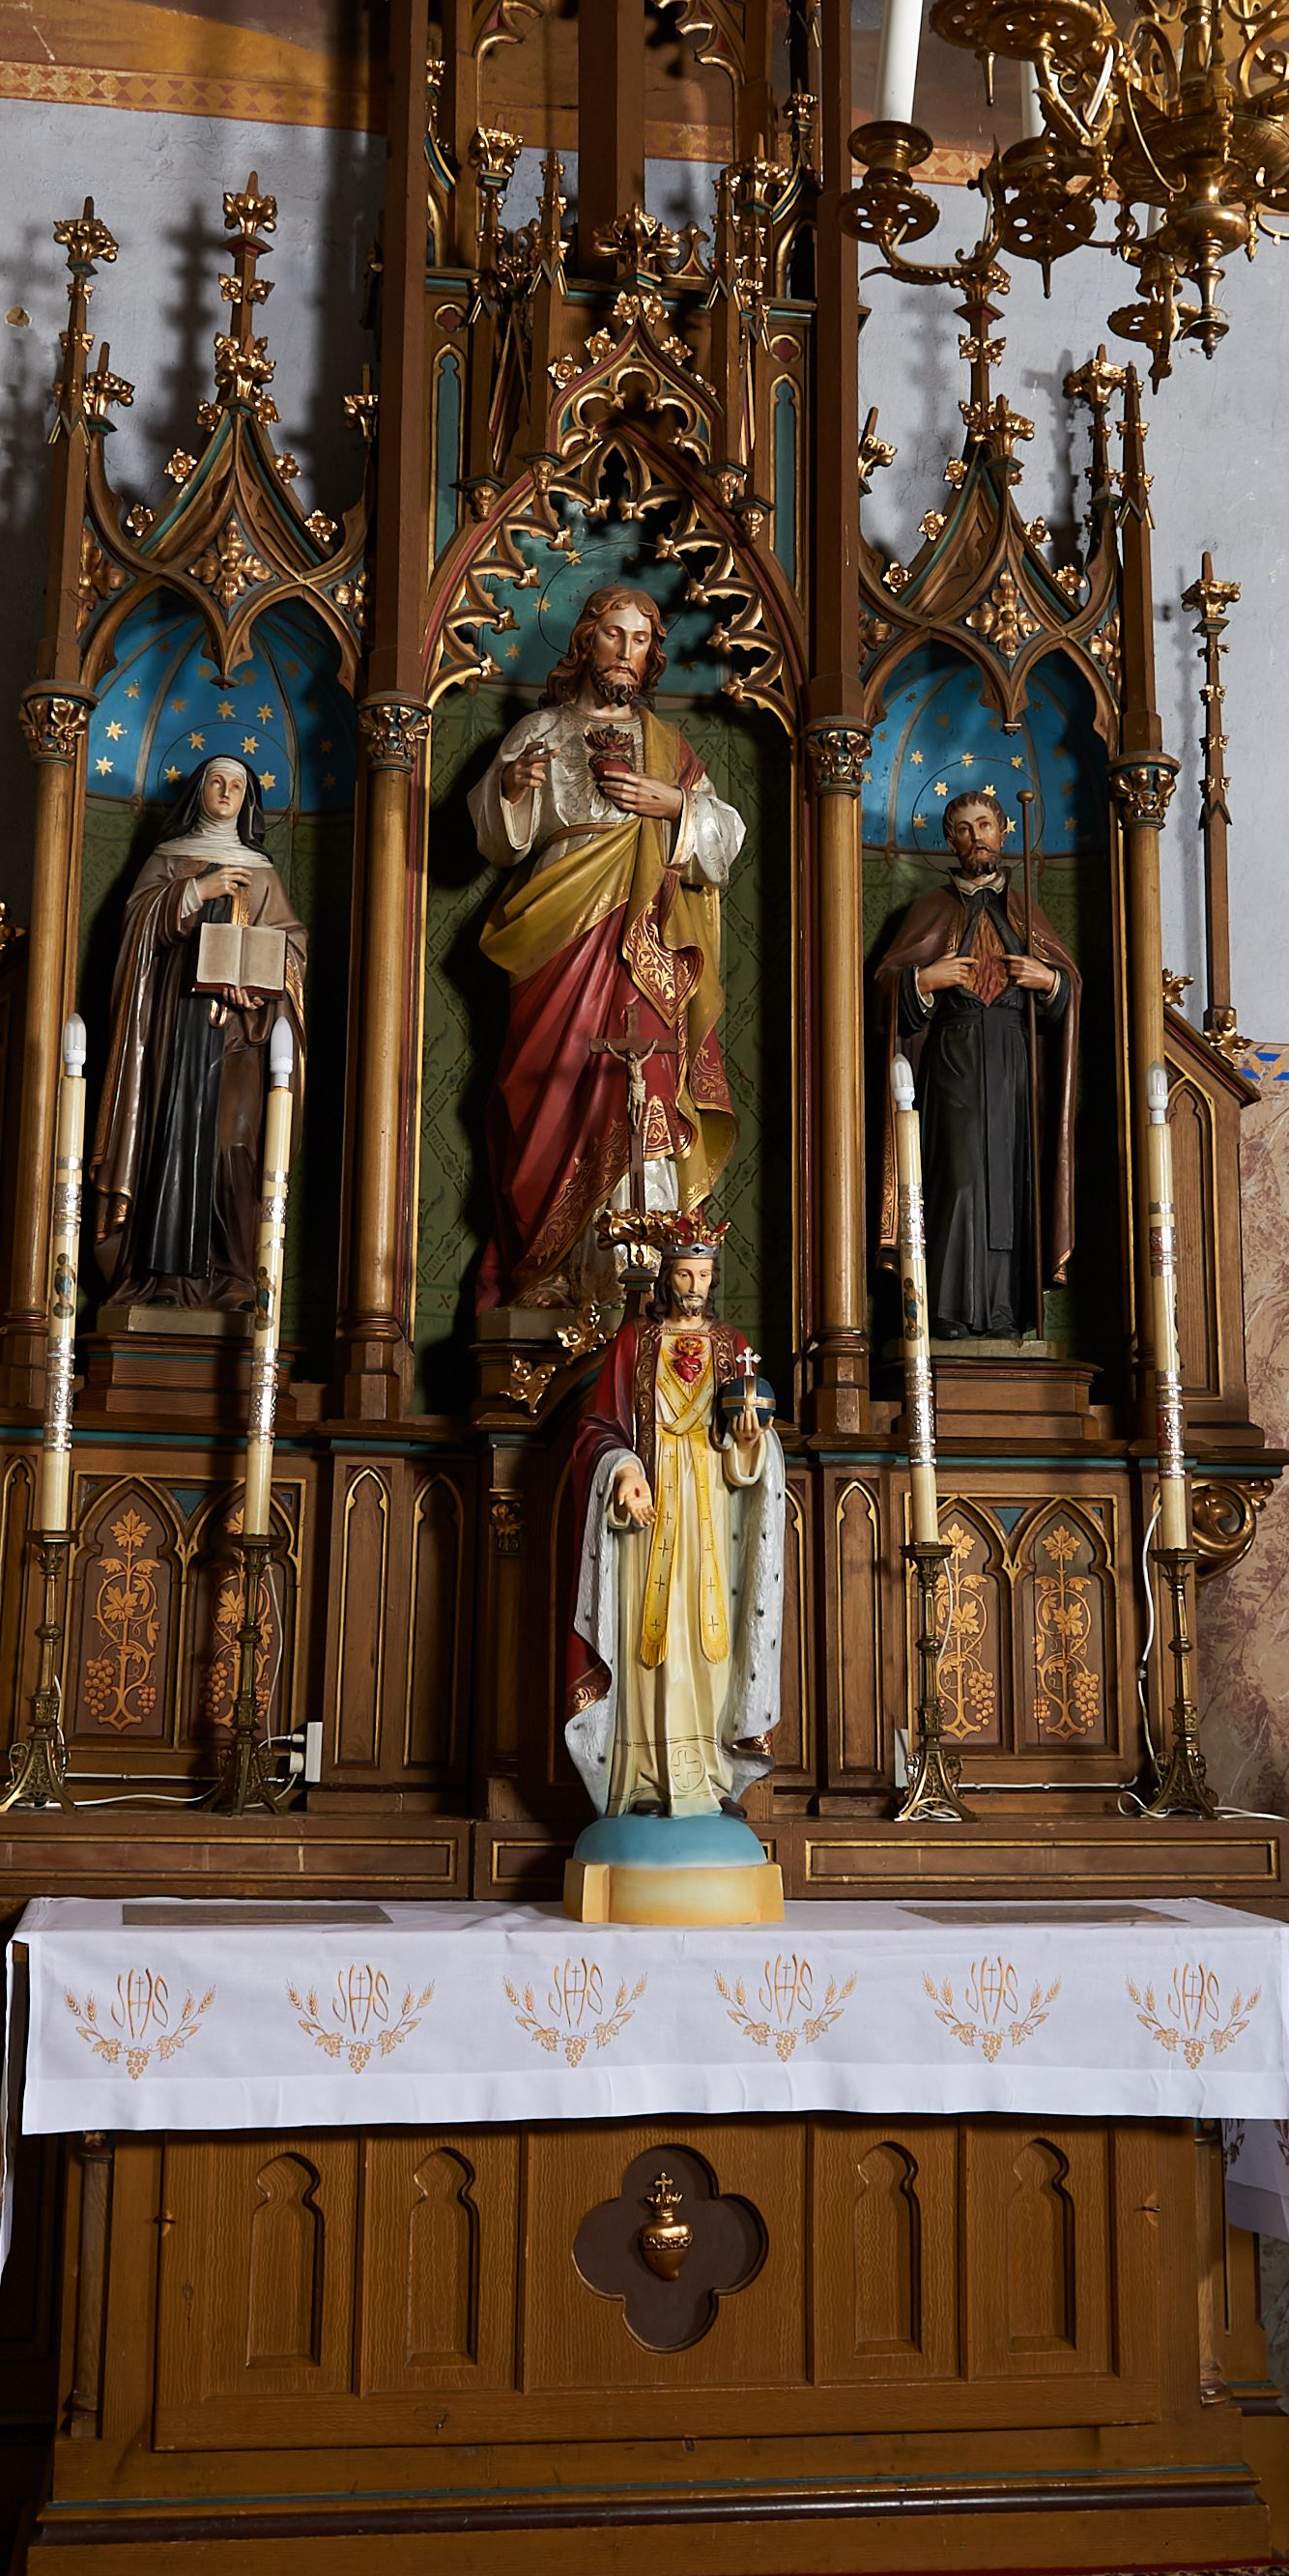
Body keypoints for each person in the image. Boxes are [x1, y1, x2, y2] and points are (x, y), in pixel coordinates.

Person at [467, 585, 741, 1305]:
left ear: (652, 656)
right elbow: (497, 841)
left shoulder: (670, 748)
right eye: (613, 635)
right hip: (557, 935)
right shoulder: (540, 730)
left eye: (640, 640)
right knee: (546, 1090)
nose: (625, 651)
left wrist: (676, 805)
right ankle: (548, 1268)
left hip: (646, 945)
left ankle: (642, 1275)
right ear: (586, 641)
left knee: (644, 1090)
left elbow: (725, 839)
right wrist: (511, 787)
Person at [564, 1224, 784, 1818]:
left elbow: (750, 1442)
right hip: (649, 1514)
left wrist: (749, 1443)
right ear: (666, 1277)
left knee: (710, 1643)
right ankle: (642, 1779)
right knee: (649, 1643)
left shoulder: (732, 1344)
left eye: (704, 1276)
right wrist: (623, 1471)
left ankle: (709, 1776)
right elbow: (598, 1428)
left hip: (713, 1513)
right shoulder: (635, 1341)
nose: (694, 1287)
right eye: (684, 1274)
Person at [91, 755, 305, 1304]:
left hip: (238, 1035)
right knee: (171, 1134)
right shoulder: (168, 858)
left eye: (238, 785)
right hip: (173, 1027)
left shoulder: (260, 871)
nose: (227, 792)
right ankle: (163, 1277)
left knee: (235, 1146)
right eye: (217, 782)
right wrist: (195, 891)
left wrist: (257, 988)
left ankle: (233, 1277)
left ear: (248, 800)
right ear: (200, 792)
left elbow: (292, 947)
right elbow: (136, 927)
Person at [874, 787, 1078, 1339]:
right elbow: (884, 988)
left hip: (1013, 1058)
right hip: (954, 1057)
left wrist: (1049, 981)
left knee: (1008, 1181)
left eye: (985, 825)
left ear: (1003, 832)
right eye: (963, 829)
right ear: (950, 841)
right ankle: (948, 1308)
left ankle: (1006, 1310)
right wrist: (923, 980)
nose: (976, 838)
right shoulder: (930, 909)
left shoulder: (1026, 910)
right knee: (959, 1178)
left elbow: (1068, 993)